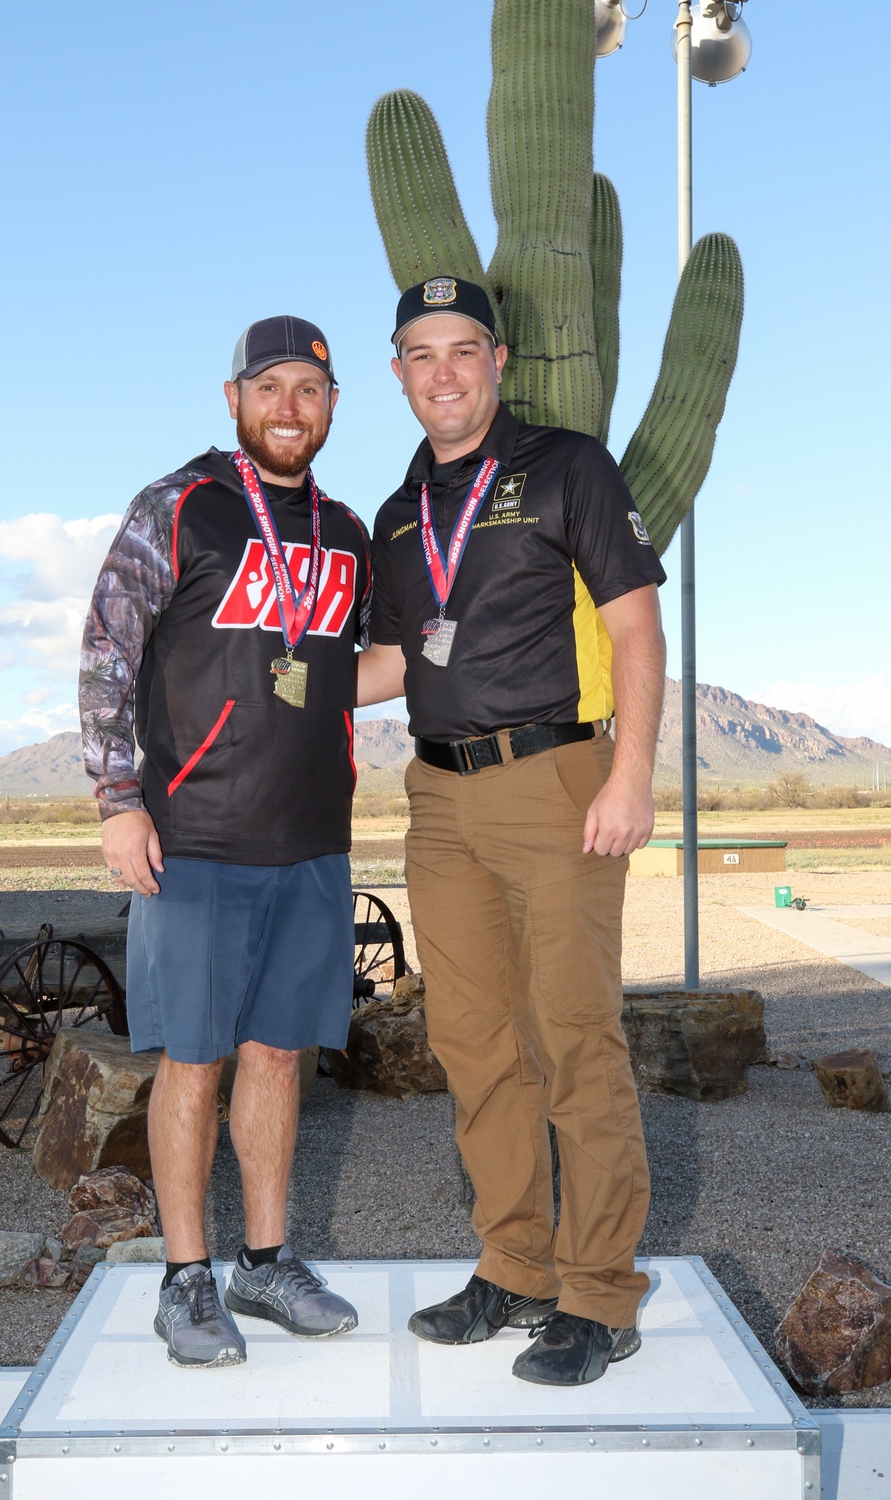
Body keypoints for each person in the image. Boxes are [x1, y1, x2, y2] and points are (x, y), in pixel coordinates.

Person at [357, 276, 667, 1387]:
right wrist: (264, 677)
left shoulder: (567, 464)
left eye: (460, 350)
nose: (441, 372)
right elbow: (394, 660)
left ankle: (598, 1294)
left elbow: (634, 624)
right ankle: (515, 1265)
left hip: (556, 780)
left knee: (574, 1039)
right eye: (418, 354)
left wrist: (629, 774)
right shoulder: (398, 513)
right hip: (438, 802)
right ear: (397, 373)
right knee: (475, 1044)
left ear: (497, 359)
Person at [79, 315, 370, 1370]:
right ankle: (185, 1277)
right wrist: (119, 801)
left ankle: (265, 1260)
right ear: (233, 397)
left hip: (309, 840)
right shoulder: (180, 506)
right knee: (191, 1060)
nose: (289, 405)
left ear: (333, 405)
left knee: (279, 1057)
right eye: (271, 387)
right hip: (193, 837)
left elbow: (345, 668)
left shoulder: (344, 533)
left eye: (309, 388)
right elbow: (108, 650)